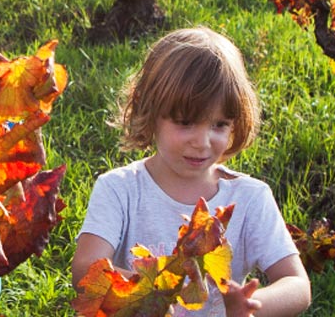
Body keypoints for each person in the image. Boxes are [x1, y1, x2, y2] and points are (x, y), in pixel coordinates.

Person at [71, 28, 312, 317]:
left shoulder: (250, 198)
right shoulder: (119, 189)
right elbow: (86, 270)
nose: (202, 142)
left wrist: (251, 308)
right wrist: (152, 297)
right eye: (185, 122)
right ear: (149, 111)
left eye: (219, 124)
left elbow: (297, 285)